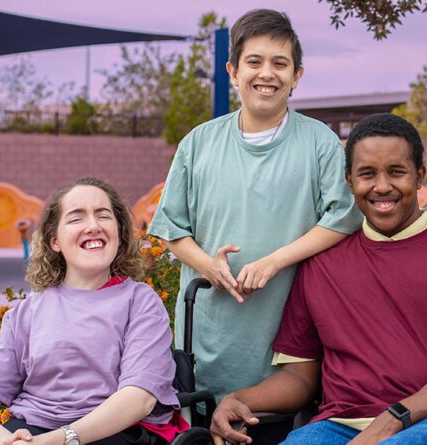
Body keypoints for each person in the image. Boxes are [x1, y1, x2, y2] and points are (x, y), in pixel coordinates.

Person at [210, 113, 427, 445]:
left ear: (420, 177)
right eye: (367, 174)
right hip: (335, 427)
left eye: (396, 172)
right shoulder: (320, 264)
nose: (382, 186)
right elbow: (300, 376)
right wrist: (240, 399)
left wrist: (391, 421)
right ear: (350, 181)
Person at [147, 9, 361, 401]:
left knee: (274, 421)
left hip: (286, 334)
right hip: (208, 331)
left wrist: (275, 261)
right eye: (254, 62)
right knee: (203, 417)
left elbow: (343, 217)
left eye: (280, 64)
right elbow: (171, 228)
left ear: (297, 75)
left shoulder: (320, 143)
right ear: (232, 71)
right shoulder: (199, 143)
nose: (267, 73)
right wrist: (209, 265)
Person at [0, 177, 186, 445]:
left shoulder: (140, 302)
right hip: (32, 430)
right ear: (55, 241)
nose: (93, 226)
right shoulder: (26, 312)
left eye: (103, 216)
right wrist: (2, 441)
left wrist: (59, 440)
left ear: (119, 233)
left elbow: (140, 398)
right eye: (76, 218)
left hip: (113, 432)